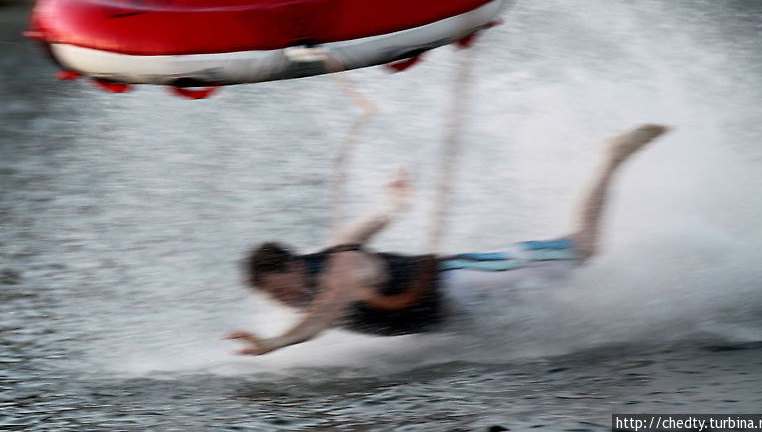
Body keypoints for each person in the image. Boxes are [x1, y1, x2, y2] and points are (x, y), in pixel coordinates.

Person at [224, 123, 669, 355]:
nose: (285, 302)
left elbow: (331, 310)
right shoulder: (329, 259)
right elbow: (365, 228)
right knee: (565, 312)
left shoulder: (340, 272)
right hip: (460, 312)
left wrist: (277, 344)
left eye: (282, 291)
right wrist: (392, 206)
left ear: (295, 265)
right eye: (277, 300)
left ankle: (612, 157)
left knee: (584, 249)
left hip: (470, 281)